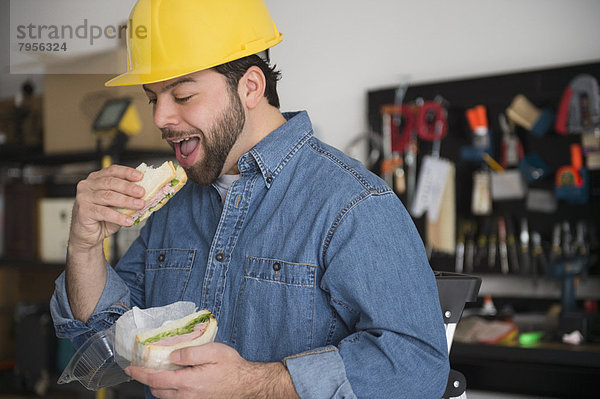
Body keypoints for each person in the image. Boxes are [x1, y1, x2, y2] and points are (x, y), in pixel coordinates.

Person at [50, 0, 449, 397]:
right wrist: (84, 247)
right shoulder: (173, 206)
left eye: (183, 96)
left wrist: (256, 384)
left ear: (251, 87)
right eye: (154, 98)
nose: (159, 119)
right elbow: (104, 342)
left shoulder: (354, 204)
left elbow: (417, 366)